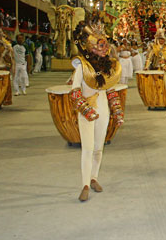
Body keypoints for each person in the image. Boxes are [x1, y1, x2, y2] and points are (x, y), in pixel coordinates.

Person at [70, 18, 124, 202]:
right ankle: (85, 184)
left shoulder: (108, 67)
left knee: (99, 148)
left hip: (103, 110)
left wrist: (117, 111)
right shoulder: (82, 67)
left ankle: (94, 178)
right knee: (87, 148)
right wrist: (86, 110)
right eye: (99, 46)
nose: (103, 49)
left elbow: (110, 90)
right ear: (90, 48)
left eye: (105, 46)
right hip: (87, 110)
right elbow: (75, 92)